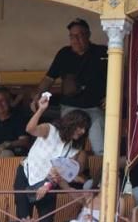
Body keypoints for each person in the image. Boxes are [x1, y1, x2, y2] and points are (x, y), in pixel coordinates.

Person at [13, 95, 91, 222]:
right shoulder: (50, 129)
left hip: (48, 184)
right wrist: (41, 109)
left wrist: (47, 187)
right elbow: (30, 129)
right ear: (72, 122)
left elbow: (57, 173)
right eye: (80, 126)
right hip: (26, 175)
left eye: (85, 129)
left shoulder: (73, 149)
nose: (82, 131)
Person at [34, 19, 108, 155]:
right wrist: (37, 96)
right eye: (72, 36)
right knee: (68, 147)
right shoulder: (64, 54)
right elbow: (48, 79)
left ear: (88, 35)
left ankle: (102, 174)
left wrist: (111, 97)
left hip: (94, 107)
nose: (75, 39)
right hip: (70, 107)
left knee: (101, 147)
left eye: (79, 35)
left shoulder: (102, 52)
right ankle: (68, 173)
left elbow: (119, 76)